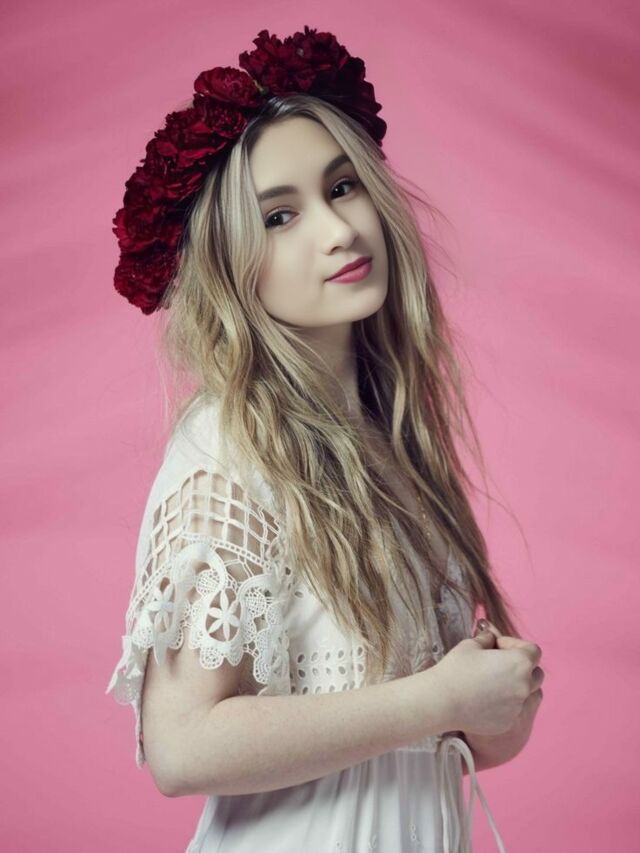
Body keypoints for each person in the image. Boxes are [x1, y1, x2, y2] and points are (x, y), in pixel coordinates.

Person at [105, 26, 545, 852]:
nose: (338, 229)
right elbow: (181, 743)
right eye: (280, 215)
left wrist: (494, 706)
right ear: (232, 265)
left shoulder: (389, 443)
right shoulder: (228, 449)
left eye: (342, 187)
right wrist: (439, 700)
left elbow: (416, 734)